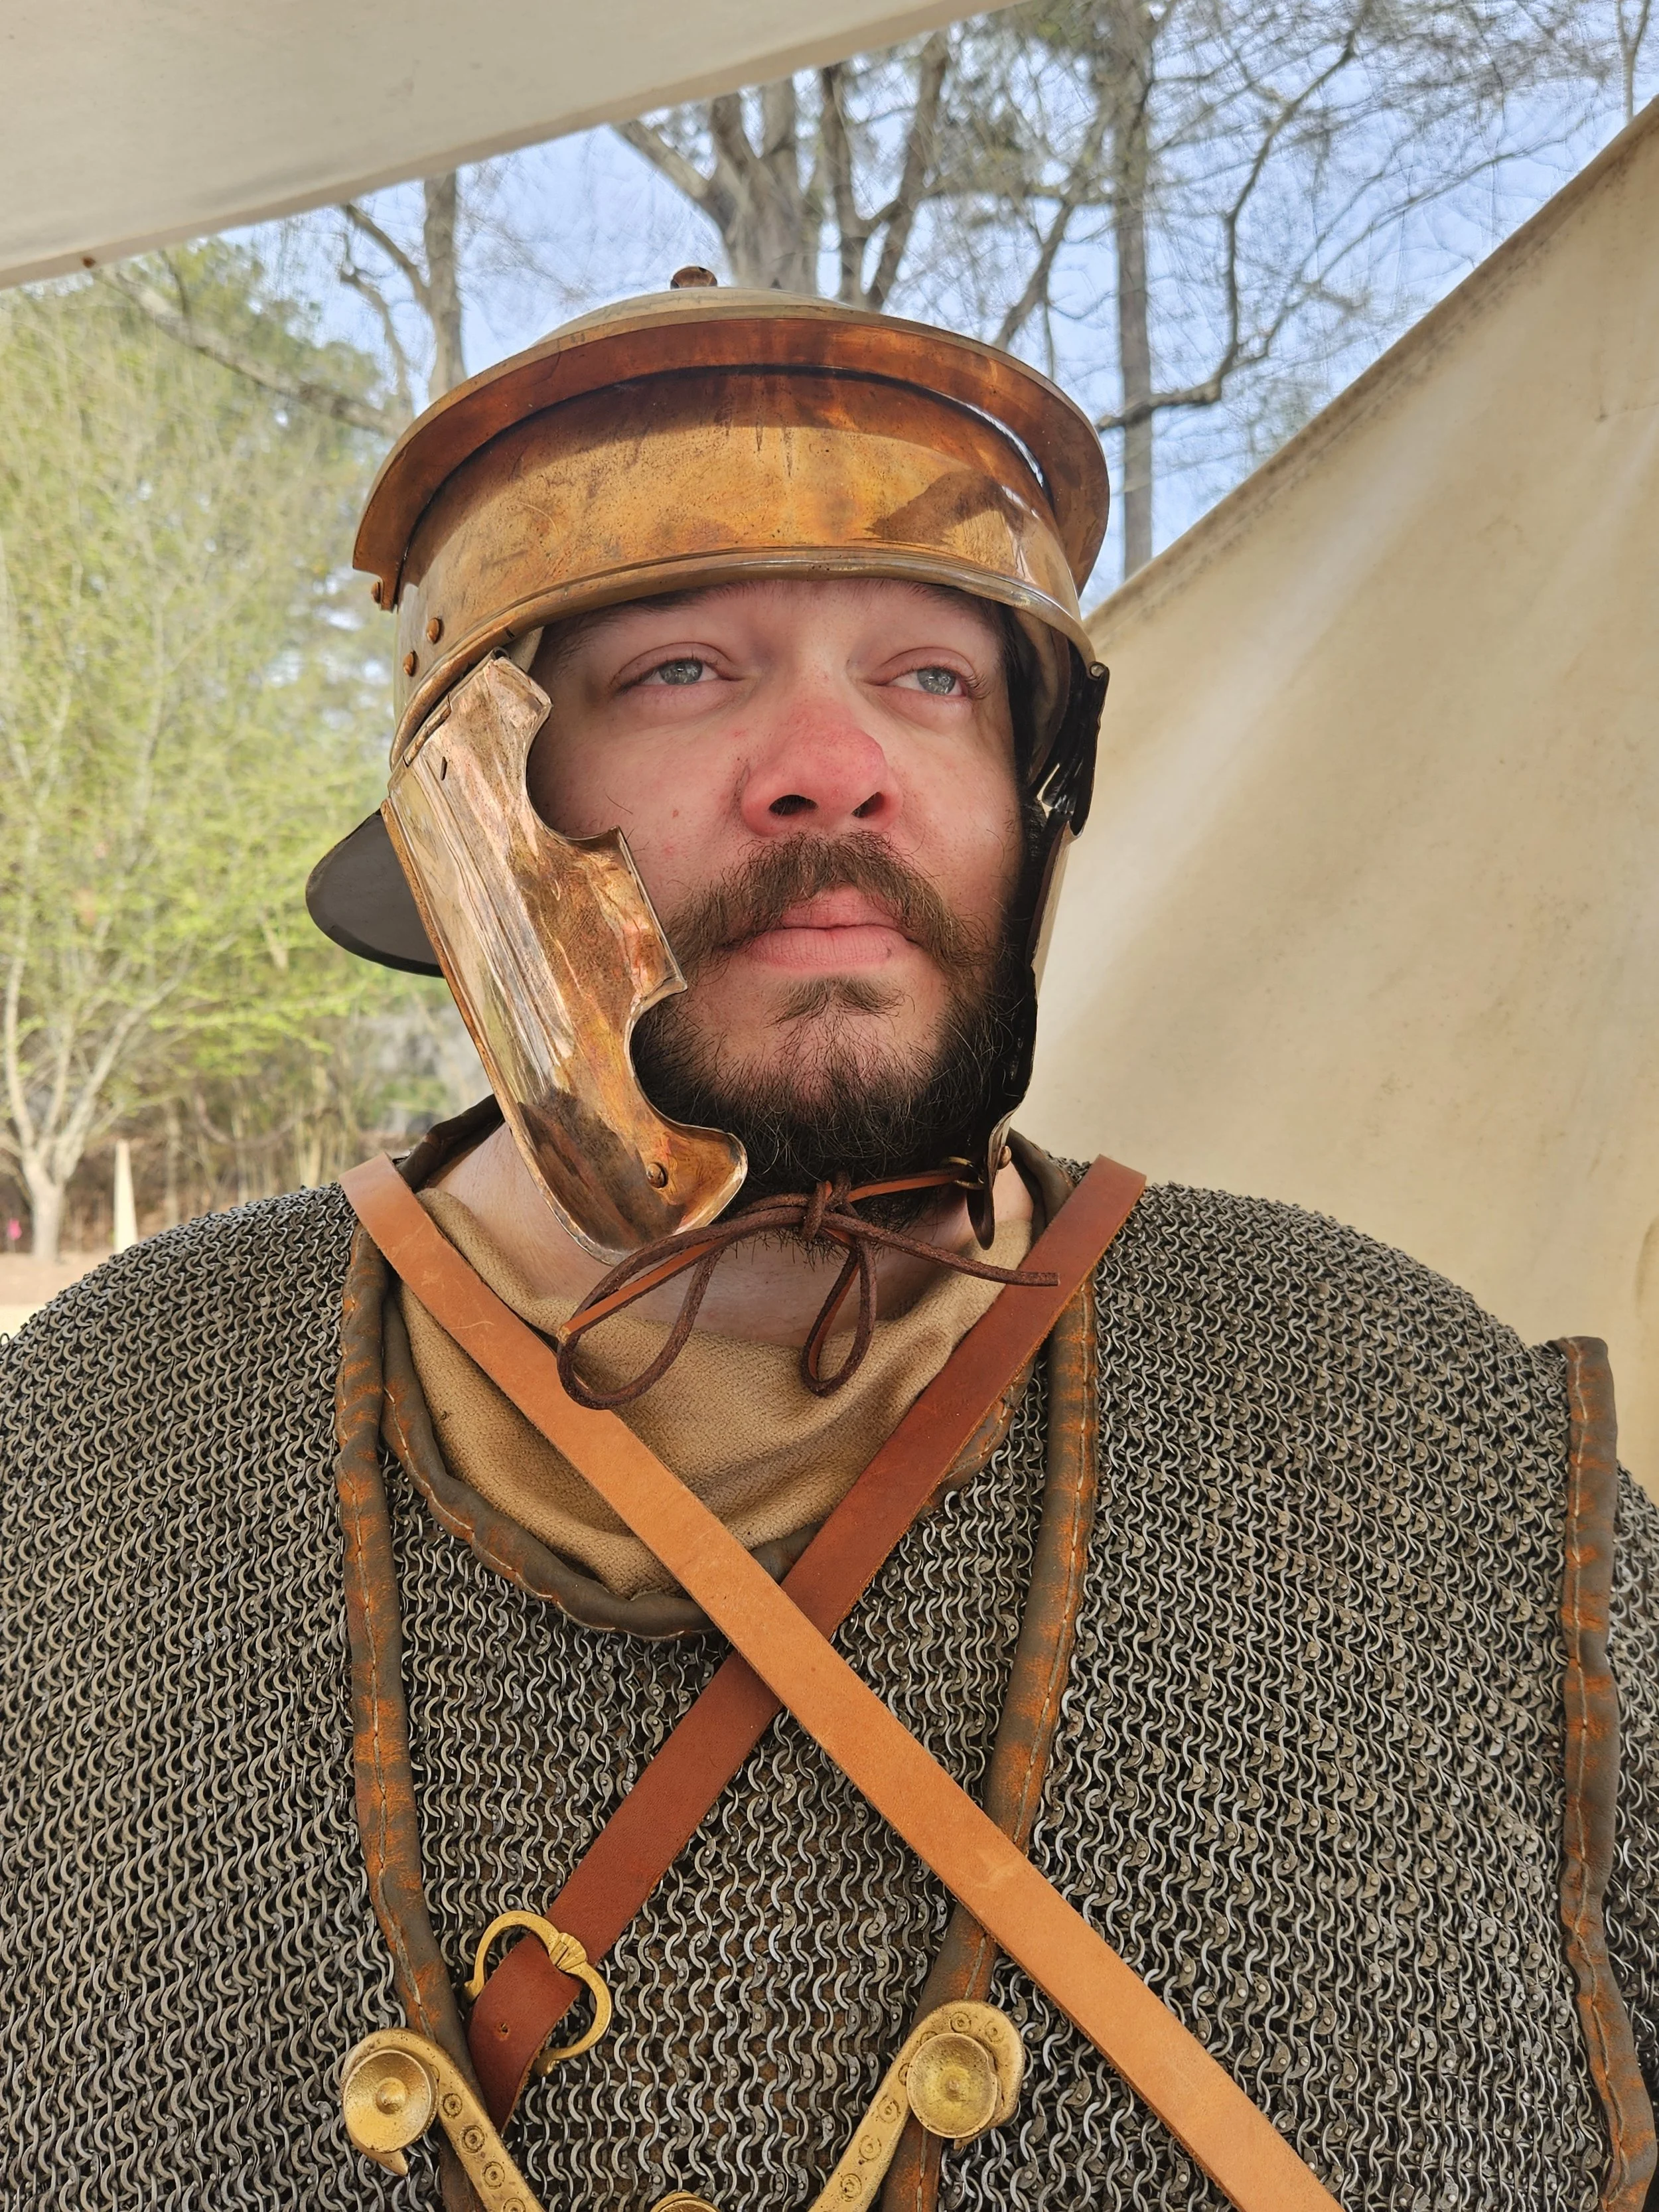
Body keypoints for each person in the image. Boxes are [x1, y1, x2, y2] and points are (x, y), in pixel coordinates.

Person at [3, 279, 1657, 2212]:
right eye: (684, 671)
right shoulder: (81, 1463)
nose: (830, 766)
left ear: (1029, 796)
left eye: (930, 679)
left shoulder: (1415, 1435)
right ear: (480, 807)